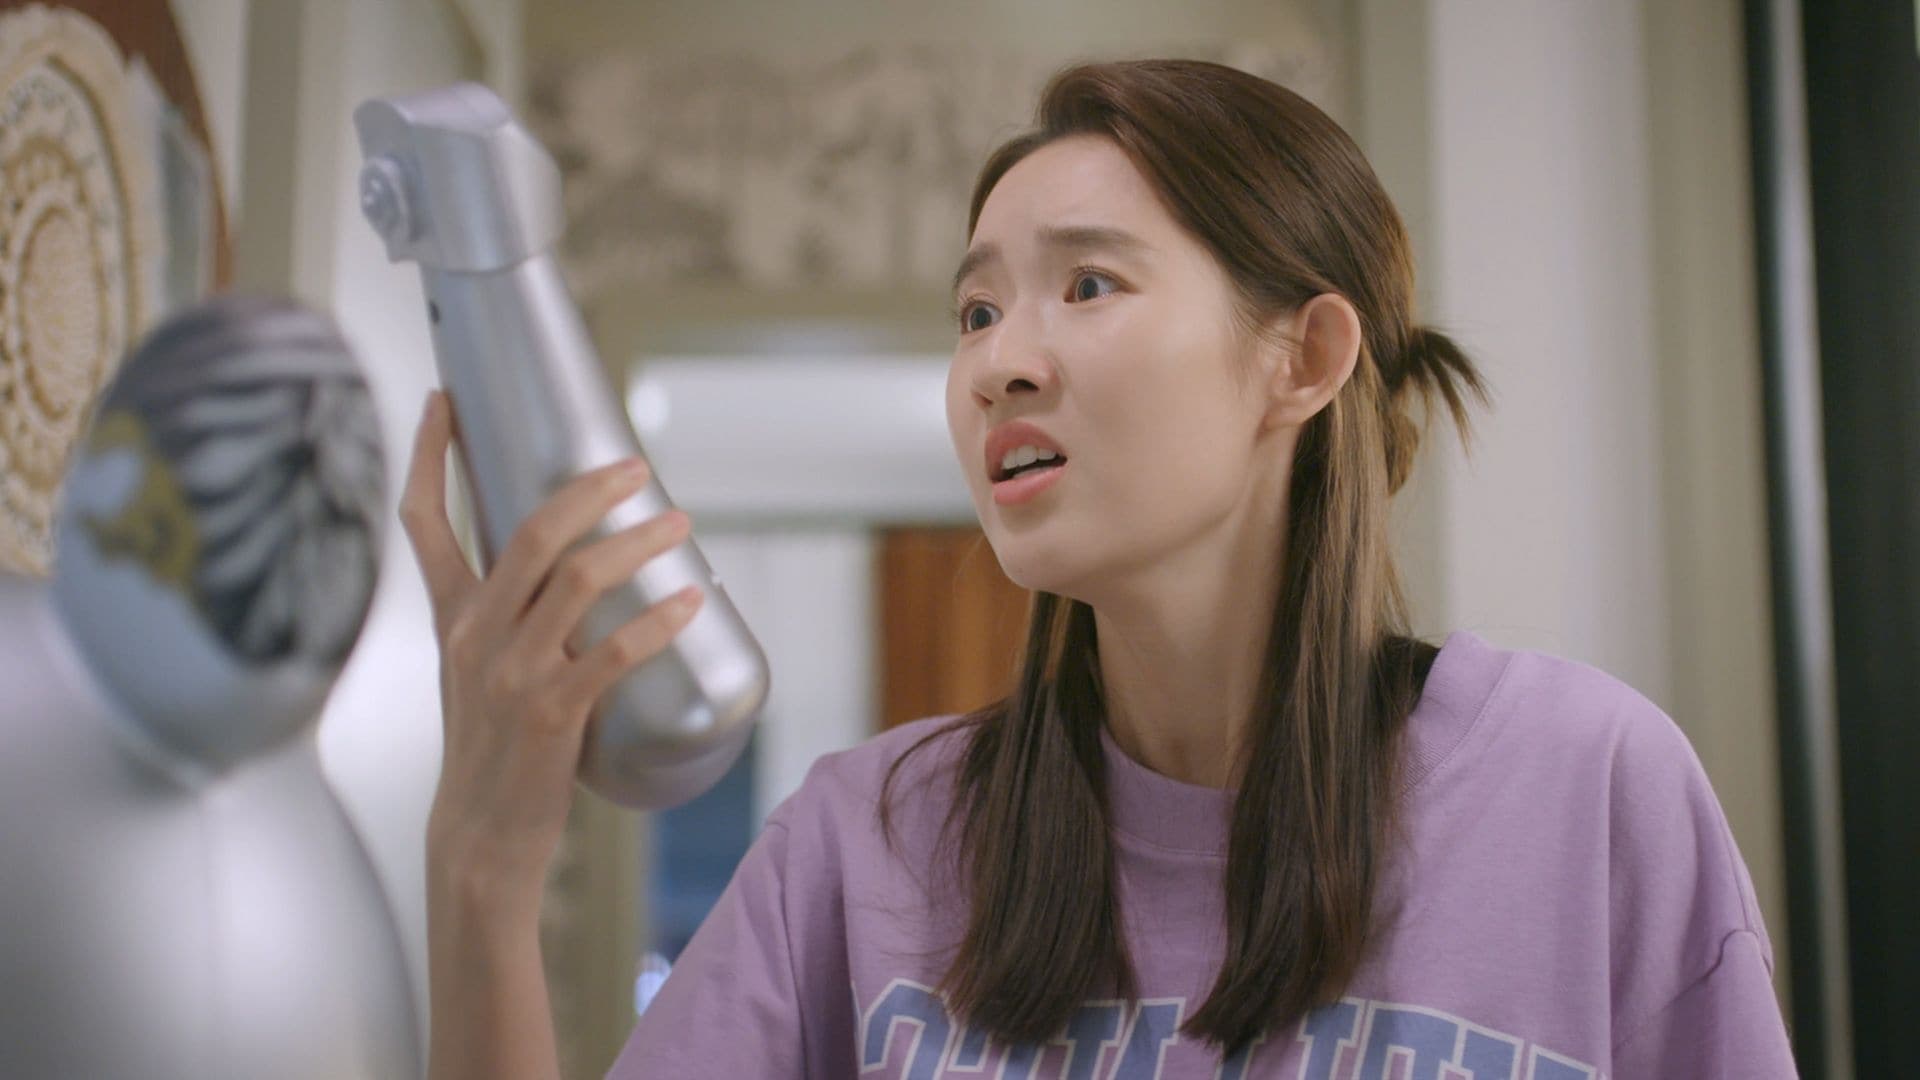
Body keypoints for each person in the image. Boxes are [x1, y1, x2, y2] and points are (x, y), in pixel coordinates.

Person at [405, 60, 1798, 1079]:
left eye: (1087, 285)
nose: (997, 362)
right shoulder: (862, 846)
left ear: (1303, 358)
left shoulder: (1588, 790)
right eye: (975, 309)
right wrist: (483, 867)